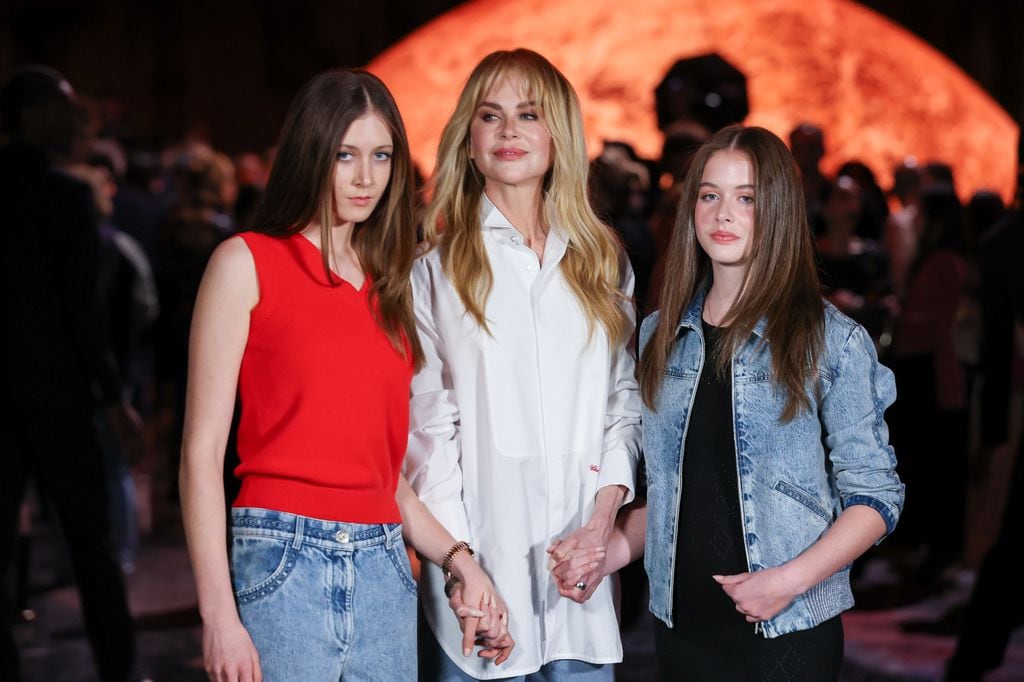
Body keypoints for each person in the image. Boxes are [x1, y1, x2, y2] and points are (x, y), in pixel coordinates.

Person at [179, 69, 508, 682]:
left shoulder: (393, 286)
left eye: (382, 155)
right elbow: (200, 455)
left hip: (385, 564)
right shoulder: (246, 263)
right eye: (345, 155)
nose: (366, 177)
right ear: (311, 155)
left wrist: (459, 560)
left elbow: (384, 478)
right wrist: (218, 616)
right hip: (281, 559)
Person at [554, 125, 904, 680]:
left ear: (779, 212)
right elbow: (677, 491)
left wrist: (784, 583)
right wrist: (609, 552)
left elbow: (875, 497)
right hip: (681, 628)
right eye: (710, 195)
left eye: (746, 198)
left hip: (786, 630)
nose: (724, 213)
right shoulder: (658, 337)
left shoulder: (829, 340)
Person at [406, 48, 641, 680]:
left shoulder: (603, 264)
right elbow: (428, 434)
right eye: (491, 115)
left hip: (582, 592)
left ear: (558, 135)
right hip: (481, 600)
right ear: (469, 141)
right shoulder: (433, 272)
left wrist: (600, 527)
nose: (510, 130)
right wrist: (464, 568)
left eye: (529, 114)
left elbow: (623, 407)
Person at [0, 65, 137, 682]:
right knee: (91, 542)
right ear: (29, 116)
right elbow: (82, 313)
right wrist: (111, 395)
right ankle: (118, 667)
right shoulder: (66, 196)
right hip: (58, 393)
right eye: (62, 108)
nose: (74, 121)